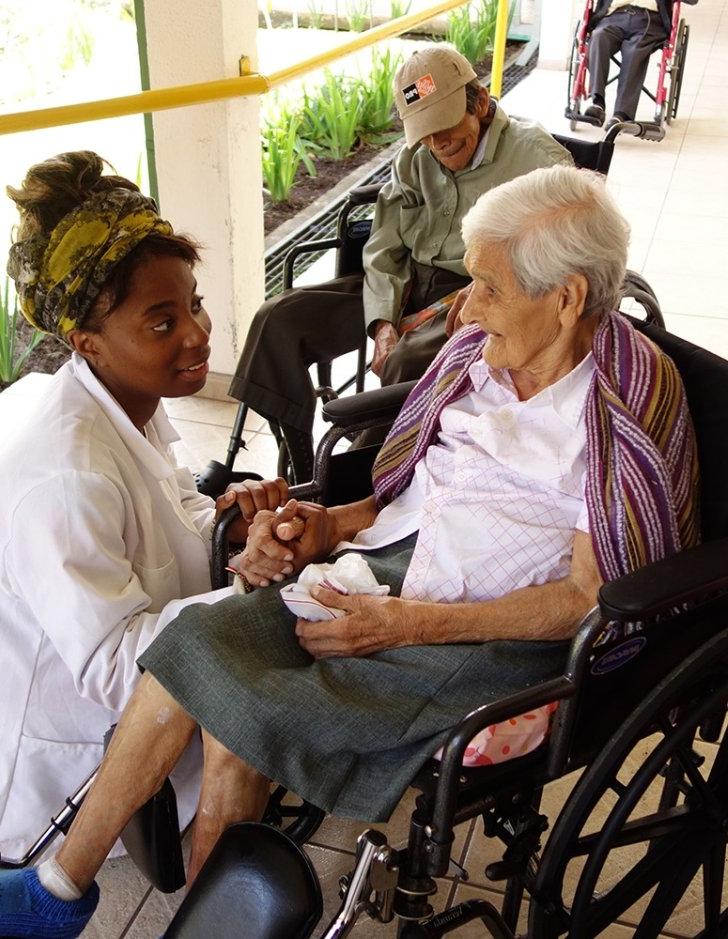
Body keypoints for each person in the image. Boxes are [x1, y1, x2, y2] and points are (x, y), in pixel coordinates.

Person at [0, 164, 700, 939]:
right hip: (396, 562)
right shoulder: (483, 356)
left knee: (239, 707)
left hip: (481, 627)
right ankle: (69, 890)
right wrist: (324, 524)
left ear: (566, 298)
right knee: (195, 646)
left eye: (488, 288)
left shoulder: (622, 404)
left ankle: (138, 911)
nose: (463, 307)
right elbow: (409, 498)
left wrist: (401, 624)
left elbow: (584, 599)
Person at [0, 152, 292, 862]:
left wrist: (230, 523)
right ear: (87, 343)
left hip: (135, 689)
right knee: (256, 720)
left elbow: (177, 508)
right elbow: (108, 667)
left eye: (192, 302)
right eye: (162, 323)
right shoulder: (66, 474)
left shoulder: (131, 402)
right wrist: (246, 591)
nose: (197, 333)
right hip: (73, 763)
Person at [229, 44, 573, 483]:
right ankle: (299, 462)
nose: (437, 142)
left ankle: (352, 479)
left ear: (480, 103)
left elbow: (566, 252)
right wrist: (382, 321)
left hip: (477, 294)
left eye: (445, 127)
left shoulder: (538, 160)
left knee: (405, 360)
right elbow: (384, 246)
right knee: (276, 320)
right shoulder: (415, 157)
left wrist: (493, 284)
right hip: (403, 282)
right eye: (425, 133)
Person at [584, 0, 698, 129]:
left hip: (648, 20)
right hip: (613, 16)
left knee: (635, 51)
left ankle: (621, 114)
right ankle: (597, 103)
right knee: (598, 38)